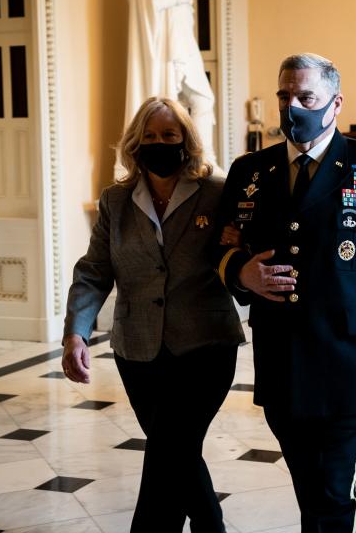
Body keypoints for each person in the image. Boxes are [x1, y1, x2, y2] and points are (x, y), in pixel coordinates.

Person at [211, 53, 356, 531]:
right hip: (283, 355)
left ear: (335, 104)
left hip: (353, 356)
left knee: (338, 491)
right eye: (284, 96)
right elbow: (220, 245)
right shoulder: (251, 172)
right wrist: (241, 273)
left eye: (306, 97)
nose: (292, 107)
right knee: (309, 485)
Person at [63, 97, 245, 532]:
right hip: (138, 350)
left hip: (206, 345)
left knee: (170, 448)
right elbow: (93, 271)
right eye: (149, 136)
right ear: (134, 143)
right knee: (175, 452)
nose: (158, 143)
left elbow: (237, 259)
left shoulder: (217, 193)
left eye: (169, 135)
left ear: (186, 141)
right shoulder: (116, 201)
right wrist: (77, 332)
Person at [126, 0, 219, 168]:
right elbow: (154, 0)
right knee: (167, 106)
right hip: (165, 44)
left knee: (203, 99)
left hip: (183, 40)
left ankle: (203, 157)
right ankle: (190, 158)